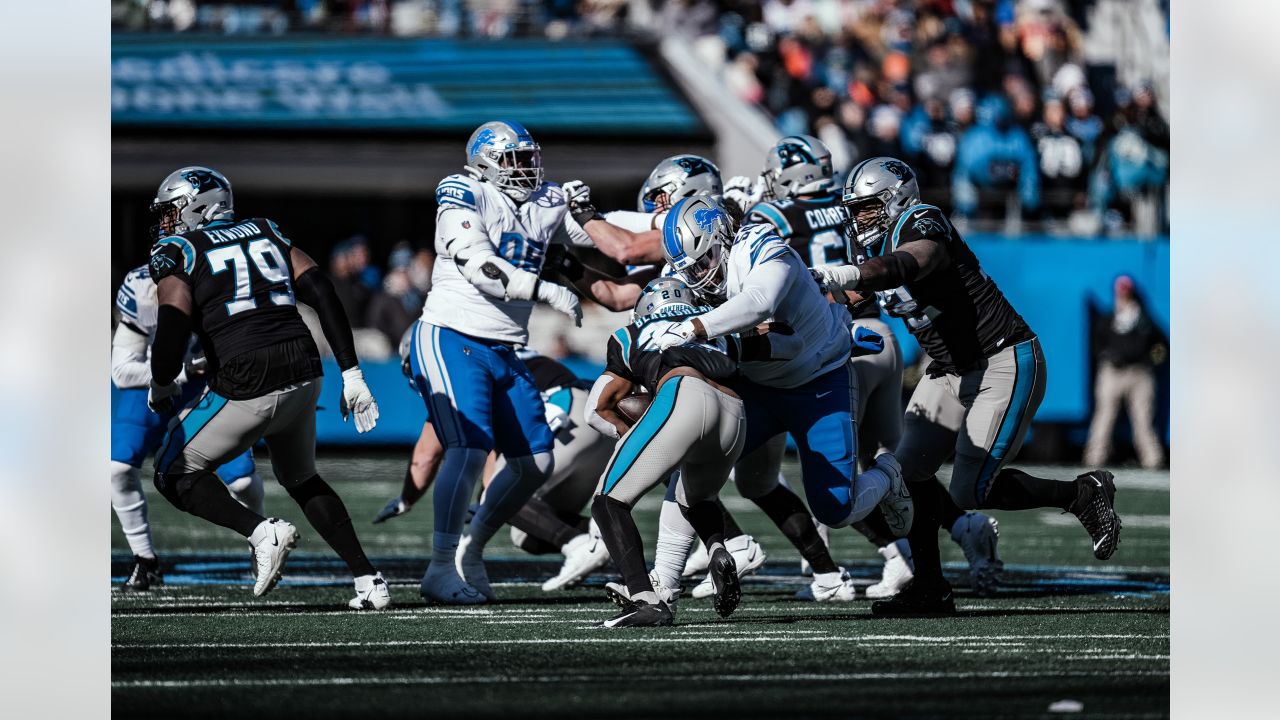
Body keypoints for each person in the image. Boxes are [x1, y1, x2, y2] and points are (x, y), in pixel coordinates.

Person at [812, 156, 1123, 615]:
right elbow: (849, 292)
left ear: (895, 198)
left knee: (968, 492)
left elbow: (914, 261)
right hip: (948, 368)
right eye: (854, 210)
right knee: (908, 474)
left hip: (1001, 357)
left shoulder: (923, 221)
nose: (858, 220)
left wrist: (850, 275)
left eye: (866, 207)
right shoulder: (871, 254)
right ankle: (930, 587)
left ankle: (1081, 493)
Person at [145, 166, 390, 610]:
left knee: (171, 471)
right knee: (301, 476)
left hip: (250, 378)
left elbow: (174, 321)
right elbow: (321, 290)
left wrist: (163, 381)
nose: (169, 220)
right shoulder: (266, 230)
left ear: (201, 205)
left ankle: (262, 532)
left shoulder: (179, 248)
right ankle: (368, 579)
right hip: (305, 368)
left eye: (174, 209)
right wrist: (352, 373)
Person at [411, 120, 620, 604]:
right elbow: (476, 263)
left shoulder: (545, 200)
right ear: (484, 162)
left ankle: (470, 549)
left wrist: (654, 221)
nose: (526, 167)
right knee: (466, 451)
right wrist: (545, 289)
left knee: (534, 462)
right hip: (452, 334)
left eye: (528, 157)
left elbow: (599, 237)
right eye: (513, 159)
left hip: (505, 346)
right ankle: (440, 568)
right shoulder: (463, 189)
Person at [657, 196, 912, 541]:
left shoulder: (759, 245)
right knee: (688, 475)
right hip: (757, 388)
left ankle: (887, 475)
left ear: (722, 237)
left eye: (703, 262)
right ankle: (661, 584)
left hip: (819, 384)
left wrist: (694, 327)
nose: (698, 277)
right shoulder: (682, 276)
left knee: (836, 509)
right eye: (689, 270)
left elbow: (760, 303)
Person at [587, 276, 760, 627]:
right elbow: (780, 338)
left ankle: (643, 598)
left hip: (682, 393)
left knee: (608, 500)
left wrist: (633, 435)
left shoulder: (629, 334)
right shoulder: (716, 320)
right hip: (735, 413)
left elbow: (601, 405)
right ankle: (717, 548)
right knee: (695, 498)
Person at [111, 265, 264, 591]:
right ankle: (145, 560)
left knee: (243, 481)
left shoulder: (225, 270)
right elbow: (122, 372)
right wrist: (178, 373)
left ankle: (260, 539)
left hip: (211, 384)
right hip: (159, 381)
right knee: (117, 468)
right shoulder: (142, 284)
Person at [1083, 275, 1166, 469]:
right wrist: (1107, 356)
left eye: (1126, 290)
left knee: (1143, 420)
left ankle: (1152, 460)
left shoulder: (1144, 320)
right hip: (1112, 373)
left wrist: (1151, 361)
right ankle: (1095, 458)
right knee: (1104, 417)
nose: (1123, 294)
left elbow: (1161, 347)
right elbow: (1096, 344)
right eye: (1121, 290)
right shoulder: (1108, 319)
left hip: (1139, 374)